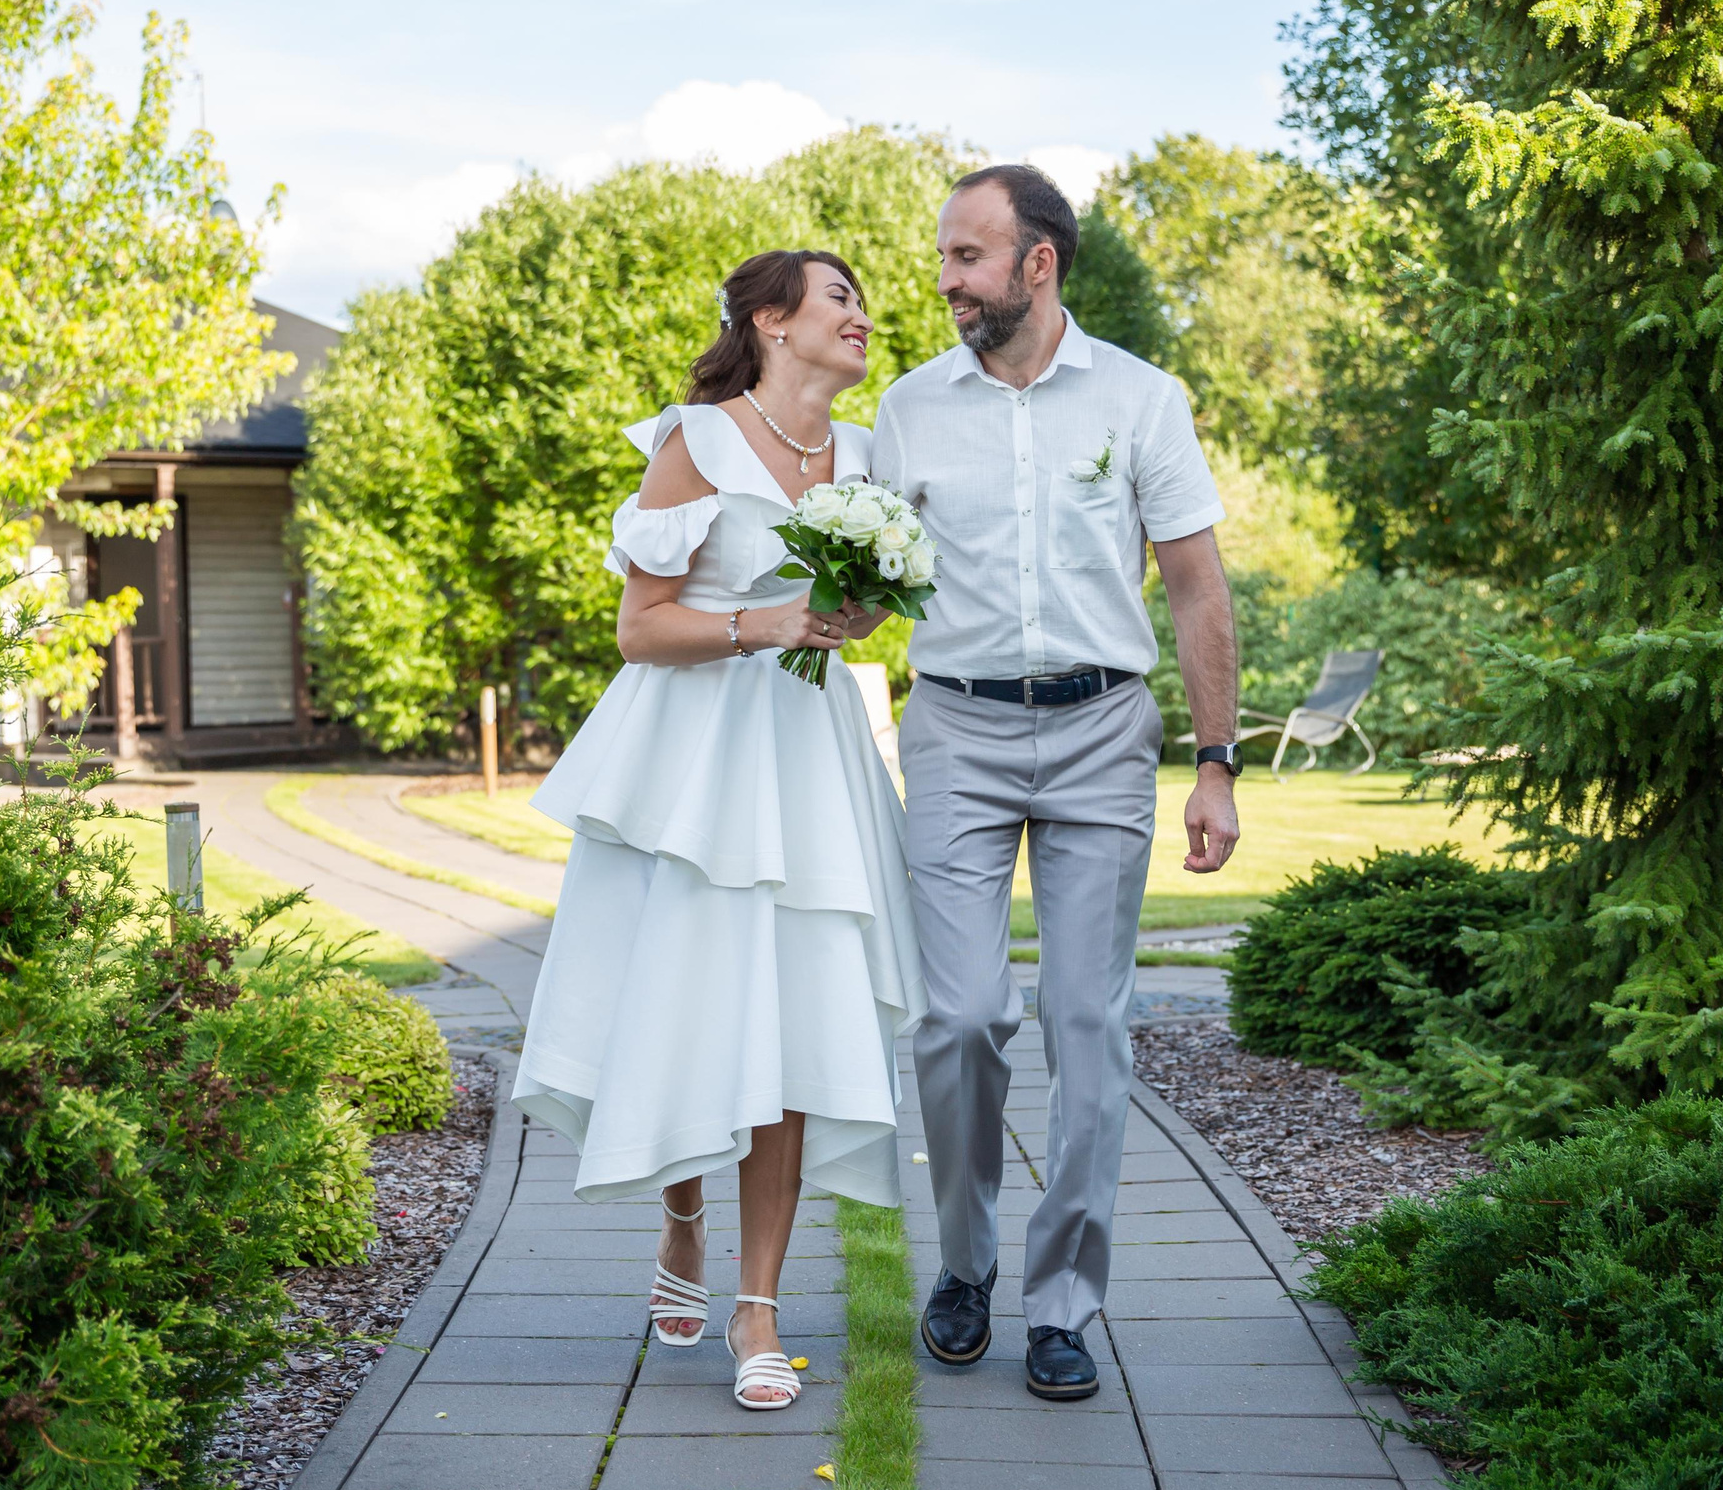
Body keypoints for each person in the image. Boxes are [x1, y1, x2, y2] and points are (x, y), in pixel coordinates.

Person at [513, 249, 924, 1411]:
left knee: (790, 1022)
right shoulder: (695, 440)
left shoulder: (868, 458)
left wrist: (857, 609)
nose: (860, 316)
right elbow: (641, 629)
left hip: (806, 760)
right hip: (692, 763)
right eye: (837, 297)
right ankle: (681, 1213)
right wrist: (768, 620)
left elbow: (873, 601)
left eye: (861, 301)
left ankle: (759, 1310)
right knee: (690, 1004)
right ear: (770, 320)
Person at [873, 165, 1242, 1401]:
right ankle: (965, 1264)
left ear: (1038, 262)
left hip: (1100, 737)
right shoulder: (911, 407)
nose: (945, 280)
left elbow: (1194, 587)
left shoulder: (1140, 399)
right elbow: (873, 579)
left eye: (968, 257)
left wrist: (1215, 763)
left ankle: (1065, 1302)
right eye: (944, 255)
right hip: (957, 734)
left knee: (1090, 1027)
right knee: (962, 1016)